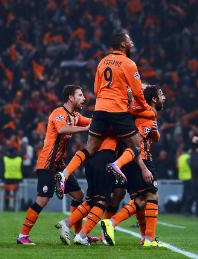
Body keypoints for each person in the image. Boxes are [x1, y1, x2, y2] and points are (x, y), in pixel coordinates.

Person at [56, 32, 155, 197]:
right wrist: (146, 108)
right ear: (123, 44)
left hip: (100, 109)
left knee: (90, 148)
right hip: (117, 109)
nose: (131, 42)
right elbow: (138, 92)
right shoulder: (129, 63)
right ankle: (116, 165)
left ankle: (64, 174)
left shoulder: (102, 62)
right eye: (129, 40)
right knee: (137, 144)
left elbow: (96, 89)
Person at [17, 85, 91, 245]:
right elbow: (62, 129)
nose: (83, 98)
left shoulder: (75, 115)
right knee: (42, 200)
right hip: (47, 163)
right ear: (71, 97)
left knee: (79, 196)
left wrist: (108, 117)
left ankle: (79, 235)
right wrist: (85, 129)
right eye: (80, 95)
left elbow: (93, 122)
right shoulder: (59, 113)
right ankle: (22, 236)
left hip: (60, 166)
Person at [101, 85, 167, 247]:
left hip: (130, 162)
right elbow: (136, 144)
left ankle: (144, 238)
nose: (164, 97)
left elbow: (152, 138)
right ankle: (147, 238)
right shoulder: (148, 114)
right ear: (154, 99)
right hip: (140, 160)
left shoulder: (146, 115)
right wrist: (144, 167)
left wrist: (155, 132)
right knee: (151, 196)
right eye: (161, 94)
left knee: (139, 200)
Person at [55, 137, 118, 246]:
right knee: (102, 200)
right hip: (105, 157)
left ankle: (66, 223)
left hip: (90, 157)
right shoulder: (115, 121)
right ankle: (81, 235)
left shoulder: (95, 121)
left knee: (91, 200)